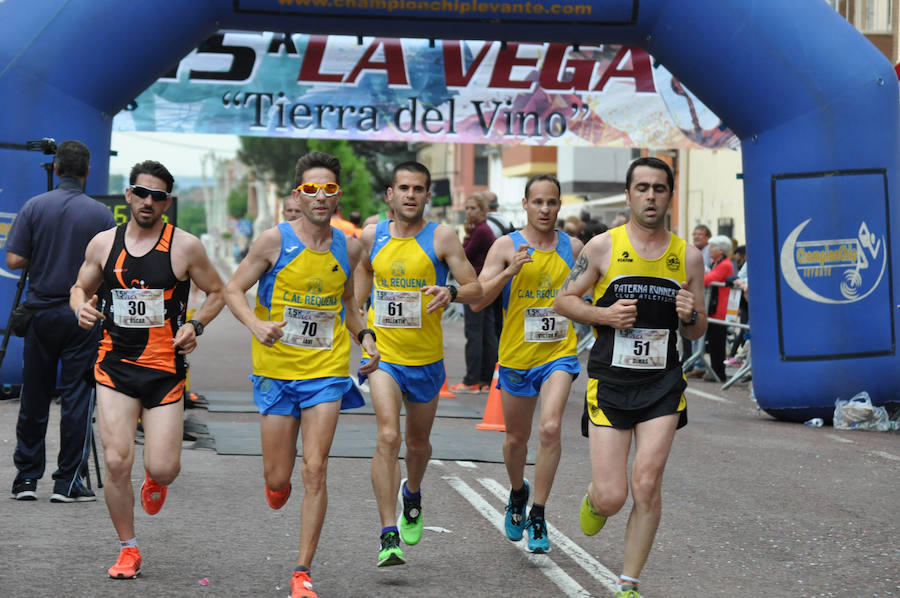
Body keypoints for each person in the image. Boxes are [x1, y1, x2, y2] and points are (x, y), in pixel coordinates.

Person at [224, 152, 379, 598]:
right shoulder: (273, 242)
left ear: (338, 196)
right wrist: (256, 325)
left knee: (316, 467)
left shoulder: (348, 248)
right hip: (275, 372)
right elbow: (233, 289)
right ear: (298, 195)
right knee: (278, 478)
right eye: (311, 189)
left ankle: (302, 570)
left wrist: (365, 338)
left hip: (326, 372)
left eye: (329, 189)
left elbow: (349, 306)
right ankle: (278, 485)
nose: (320, 197)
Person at [554, 156, 707, 598]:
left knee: (647, 482)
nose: (651, 196)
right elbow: (565, 301)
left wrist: (692, 314)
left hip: (662, 384)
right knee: (613, 495)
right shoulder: (602, 247)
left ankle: (628, 582)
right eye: (642, 188)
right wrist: (603, 313)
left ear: (670, 196)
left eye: (659, 189)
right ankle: (595, 499)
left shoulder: (689, 257)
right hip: (611, 382)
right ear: (628, 194)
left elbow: (696, 330)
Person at [69, 160, 226, 580]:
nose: (148, 202)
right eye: (142, 192)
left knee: (162, 467)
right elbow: (80, 286)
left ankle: (155, 482)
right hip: (114, 365)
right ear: (129, 195)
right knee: (117, 460)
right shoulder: (104, 243)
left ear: (167, 203)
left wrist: (196, 324)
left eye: (158, 196)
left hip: (164, 371)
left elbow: (217, 292)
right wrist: (80, 307)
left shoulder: (185, 247)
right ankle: (128, 548)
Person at [354, 161, 482, 567]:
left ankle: (413, 492)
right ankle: (387, 532)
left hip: (426, 360)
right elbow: (356, 295)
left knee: (417, 444)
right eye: (403, 188)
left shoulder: (441, 238)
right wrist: (362, 331)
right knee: (388, 437)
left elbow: (476, 288)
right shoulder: (372, 236)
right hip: (384, 357)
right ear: (390, 195)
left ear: (428, 196)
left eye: (419, 189)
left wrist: (450, 292)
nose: (411, 195)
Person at [471, 174, 583, 553]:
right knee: (516, 439)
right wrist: (508, 272)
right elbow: (478, 301)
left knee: (550, 428)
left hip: (558, 353)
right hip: (517, 355)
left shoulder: (575, 248)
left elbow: (593, 295)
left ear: (559, 204)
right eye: (538, 202)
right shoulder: (505, 246)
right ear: (525, 204)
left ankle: (538, 512)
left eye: (552, 202)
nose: (545, 209)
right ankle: (518, 492)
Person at [6, 140, 116, 503]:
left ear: (56, 170)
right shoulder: (100, 215)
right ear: (87, 172)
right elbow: (110, 268)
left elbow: (13, 261)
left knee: (34, 395)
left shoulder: (34, 207)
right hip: (82, 315)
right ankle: (68, 481)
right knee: (77, 397)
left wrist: (42, 246)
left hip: (40, 314)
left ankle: (25, 478)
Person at [450, 193, 498, 392]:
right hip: (485, 286)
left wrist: (466, 237)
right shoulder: (482, 230)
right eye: (467, 208)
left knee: (475, 333)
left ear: (483, 210)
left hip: (477, 285)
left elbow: (463, 255)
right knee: (486, 334)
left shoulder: (481, 231)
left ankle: (472, 380)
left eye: (473, 208)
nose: (468, 212)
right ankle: (485, 380)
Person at [703, 235, 735, 382]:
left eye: (712, 247)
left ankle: (718, 372)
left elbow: (708, 280)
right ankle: (715, 371)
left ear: (721, 250)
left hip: (720, 310)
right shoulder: (717, 263)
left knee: (718, 343)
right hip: (715, 308)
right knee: (714, 342)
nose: (709, 250)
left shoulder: (724, 264)